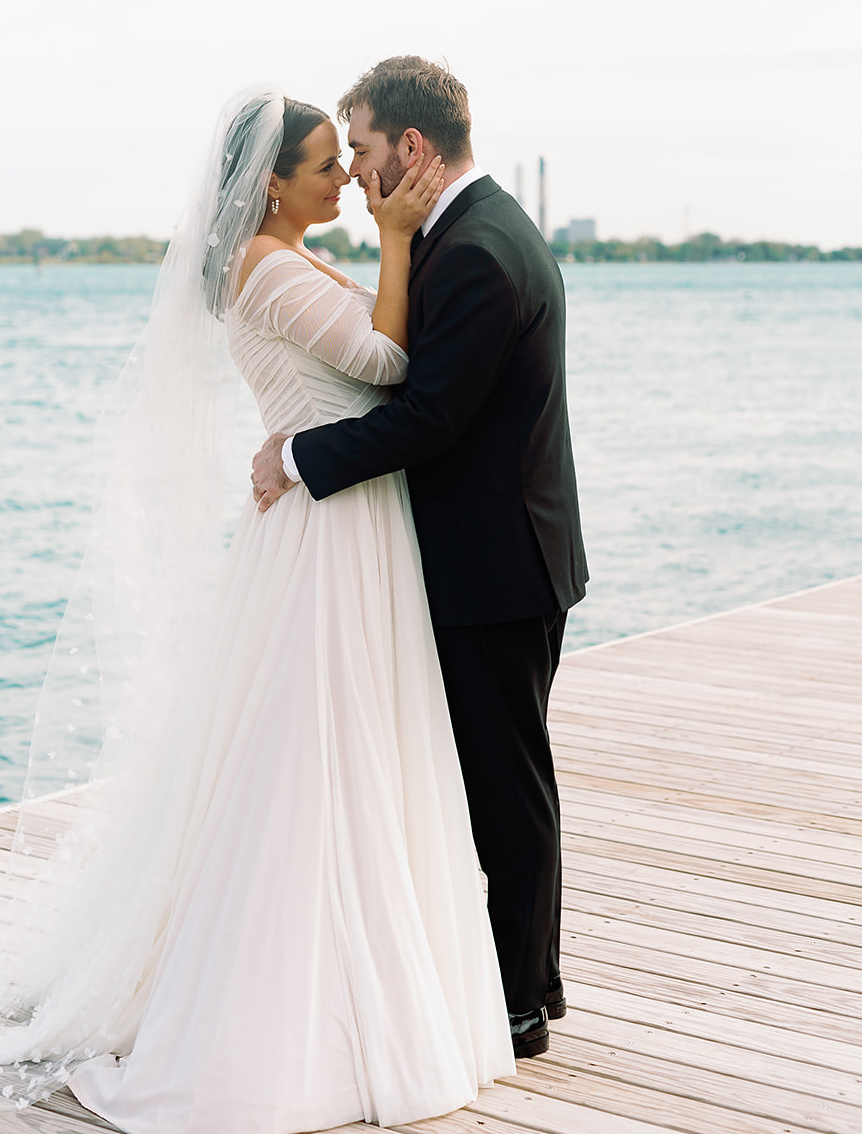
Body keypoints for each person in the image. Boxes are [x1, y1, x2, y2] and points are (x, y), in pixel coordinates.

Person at [0, 89, 515, 1134]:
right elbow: (386, 363)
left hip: (345, 520)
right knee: (313, 749)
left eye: (344, 159)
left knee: (351, 742)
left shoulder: (287, 258)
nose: (344, 179)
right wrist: (400, 239)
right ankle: (282, 998)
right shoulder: (268, 267)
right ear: (271, 183)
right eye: (324, 164)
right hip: (325, 537)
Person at [251, 57, 589, 1059]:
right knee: (486, 779)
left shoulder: (478, 249)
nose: (355, 171)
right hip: (489, 555)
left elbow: (430, 416)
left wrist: (297, 457)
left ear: (412, 145)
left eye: (360, 148)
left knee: (506, 789)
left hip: (496, 567)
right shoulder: (463, 232)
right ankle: (500, 981)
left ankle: (521, 1001)